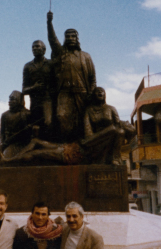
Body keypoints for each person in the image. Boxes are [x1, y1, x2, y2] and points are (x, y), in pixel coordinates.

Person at [47, 11, 96, 141]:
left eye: (73, 36)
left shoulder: (86, 56)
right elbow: (52, 40)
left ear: (77, 38)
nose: (70, 38)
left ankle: (80, 147)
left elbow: (92, 78)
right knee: (62, 116)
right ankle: (66, 144)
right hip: (64, 93)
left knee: (82, 121)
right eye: (67, 36)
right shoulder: (61, 53)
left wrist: (90, 94)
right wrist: (49, 23)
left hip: (82, 93)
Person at [82, 87, 127, 164]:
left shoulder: (111, 108)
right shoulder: (89, 110)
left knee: (120, 131)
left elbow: (118, 124)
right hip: (95, 138)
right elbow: (88, 132)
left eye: (102, 91)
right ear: (93, 95)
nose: (100, 92)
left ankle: (115, 158)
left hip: (112, 135)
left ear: (105, 95)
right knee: (114, 129)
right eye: (97, 91)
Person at [22, 40, 54, 137]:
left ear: (44, 50)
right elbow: (24, 90)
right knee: (35, 128)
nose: (34, 49)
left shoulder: (50, 64)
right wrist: (34, 87)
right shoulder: (28, 66)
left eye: (37, 46)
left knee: (48, 123)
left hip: (48, 100)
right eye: (33, 47)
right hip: (34, 102)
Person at [0, 90, 31, 159]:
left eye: (13, 100)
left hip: (24, 145)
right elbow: (2, 133)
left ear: (19, 101)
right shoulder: (5, 115)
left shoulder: (27, 114)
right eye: (9, 100)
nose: (10, 102)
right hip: (10, 144)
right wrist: (2, 144)